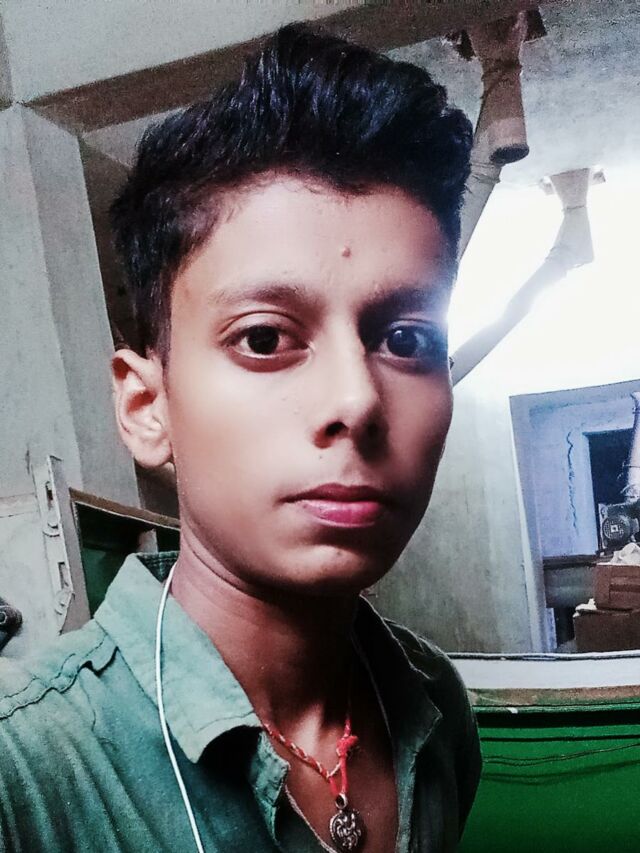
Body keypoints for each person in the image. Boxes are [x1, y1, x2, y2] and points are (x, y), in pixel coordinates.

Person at [0, 23, 480, 853]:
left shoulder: (435, 708)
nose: (357, 400)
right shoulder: (27, 775)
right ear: (146, 405)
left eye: (407, 339)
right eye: (264, 337)